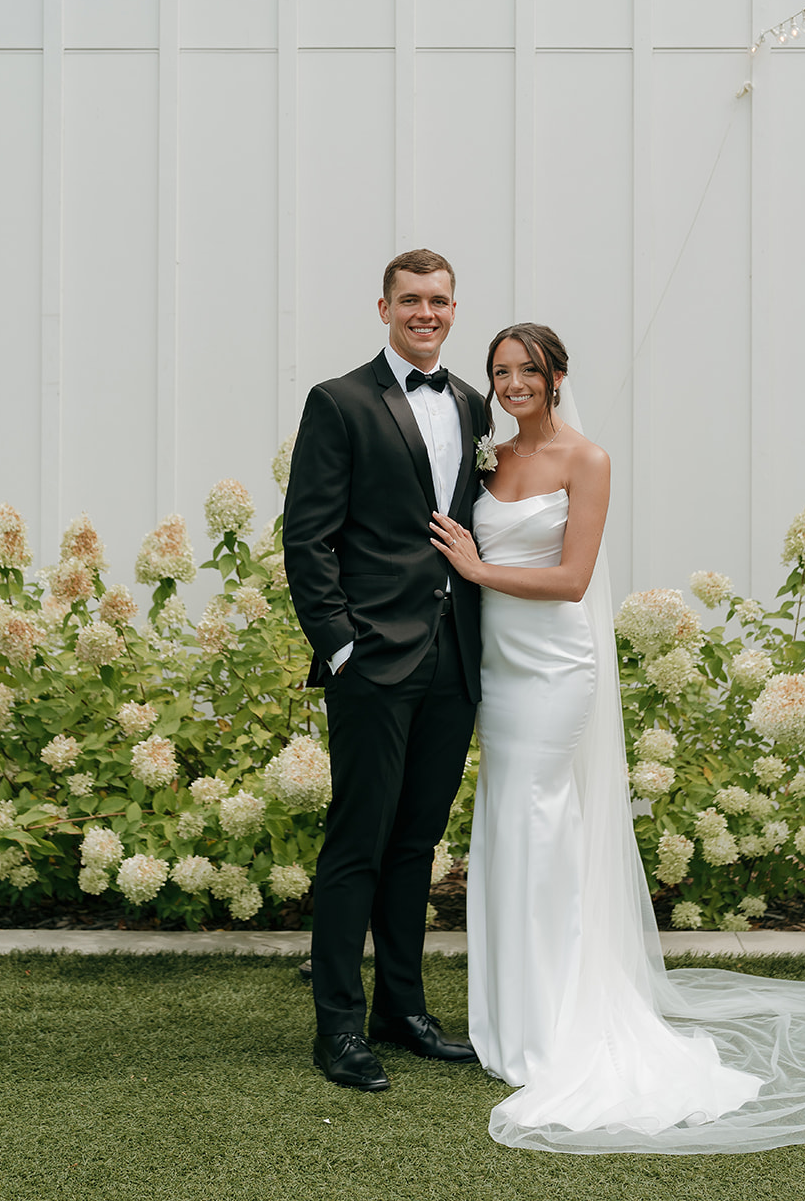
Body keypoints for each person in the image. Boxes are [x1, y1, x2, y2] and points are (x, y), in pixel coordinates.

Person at [430, 322, 805, 1153]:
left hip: (557, 669)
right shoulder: (491, 461)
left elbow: (569, 581)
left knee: (543, 824)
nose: (512, 383)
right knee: (507, 822)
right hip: (496, 669)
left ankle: (559, 1023)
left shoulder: (585, 460)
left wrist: (477, 568)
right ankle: (512, 1017)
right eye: (500, 372)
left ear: (558, 375)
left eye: (527, 369)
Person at [282, 248, 486, 1091]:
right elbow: (308, 535)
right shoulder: (338, 402)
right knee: (357, 842)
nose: (426, 314)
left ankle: (399, 1010)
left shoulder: (474, 405)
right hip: (372, 655)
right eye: (411, 301)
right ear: (383, 308)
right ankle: (338, 1027)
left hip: (455, 656)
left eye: (438, 301)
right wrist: (338, 645)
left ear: (451, 308)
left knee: (416, 842)